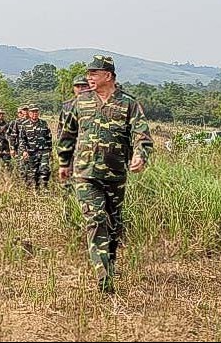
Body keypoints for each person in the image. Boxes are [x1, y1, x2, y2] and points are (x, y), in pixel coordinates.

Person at [58, 55, 152, 294]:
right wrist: (63, 162)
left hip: (116, 174)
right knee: (96, 219)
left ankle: (109, 265)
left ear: (107, 76)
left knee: (113, 224)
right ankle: (103, 278)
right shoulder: (81, 102)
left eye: (93, 73)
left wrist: (140, 155)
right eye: (88, 73)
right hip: (85, 173)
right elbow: (67, 134)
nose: (88, 77)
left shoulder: (128, 104)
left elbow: (142, 135)